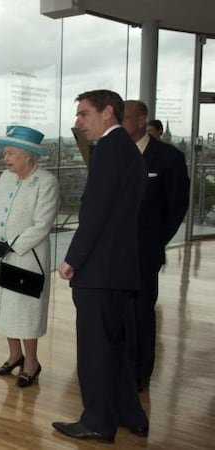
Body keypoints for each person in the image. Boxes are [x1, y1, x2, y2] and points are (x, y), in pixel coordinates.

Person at [52, 90, 150, 443]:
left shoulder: (109, 151)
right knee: (116, 346)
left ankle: (97, 421)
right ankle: (129, 413)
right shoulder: (129, 149)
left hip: (100, 270)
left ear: (107, 113)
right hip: (120, 268)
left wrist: (72, 260)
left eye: (83, 115)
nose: (78, 123)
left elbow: (96, 213)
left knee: (95, 350)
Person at [0, 125, 59, 388]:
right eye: (6, 153)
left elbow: (42, 224)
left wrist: (12, 246)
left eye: (11, 153)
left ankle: (32, 363)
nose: (6, 158)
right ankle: (14, 356)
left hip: (26, 258)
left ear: (28, 155)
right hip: (0, 256)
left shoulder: (46, 182)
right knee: (5, 310)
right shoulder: (5, 177)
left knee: (24, 312)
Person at [122, 100, 190, 392]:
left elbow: (177, 207)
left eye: (123, 118)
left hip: (144, 251)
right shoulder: (112, 154)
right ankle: (118, 364)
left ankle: (140, 371)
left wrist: (155, 242)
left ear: (140, 121)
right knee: (115, 311)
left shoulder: (168, 158)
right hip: (112, 252)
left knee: (140, 312)